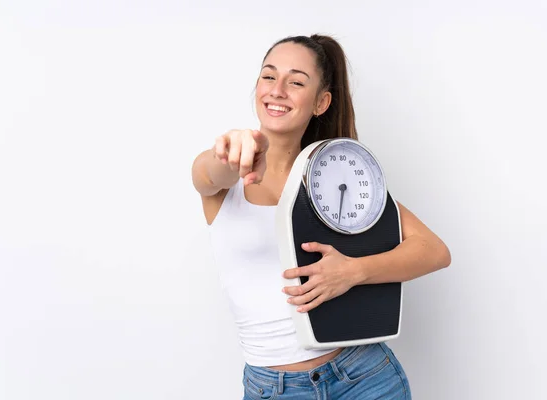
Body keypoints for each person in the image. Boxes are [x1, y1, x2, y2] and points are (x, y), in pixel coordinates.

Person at [191, 34, 451, 400]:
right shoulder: (225, 173)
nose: (277, 90)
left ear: (320, 102)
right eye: (269, 76)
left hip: (365, 378)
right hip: (274, 390)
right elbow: (207, 173)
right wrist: (234, 152)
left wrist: (352, 272)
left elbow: (433, 250)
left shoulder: (341, 175)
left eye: (296, 82)